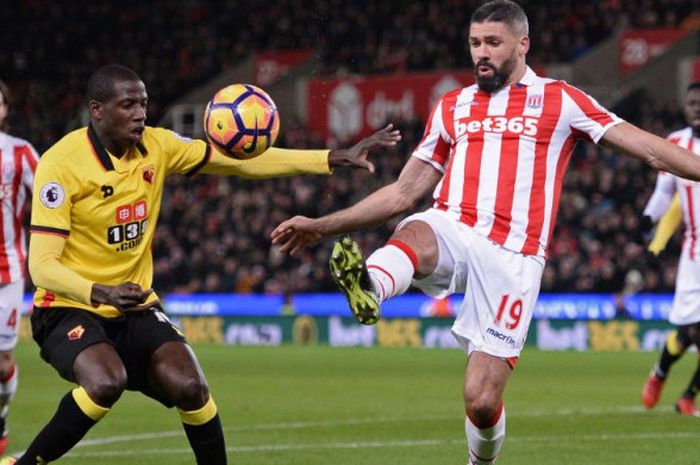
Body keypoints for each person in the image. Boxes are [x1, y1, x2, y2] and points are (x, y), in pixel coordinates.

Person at [271, 1, 700, 463]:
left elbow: (652, 149)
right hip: (455, 224)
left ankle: (481, 460)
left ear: (522, 44)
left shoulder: (561, 100)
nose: (481, 53)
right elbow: (402, 193)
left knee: (480, 399)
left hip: (514, 257)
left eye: (493, 43)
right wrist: (322, 226)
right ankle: (371, 286)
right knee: (416, 230)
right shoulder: (453, 106)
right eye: (475, 43)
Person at [0, 64, 399, 465]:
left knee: (191, 386)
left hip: (134, 304)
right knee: (107, 382)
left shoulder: (157, 146)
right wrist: (100, 291)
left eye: (143, 103)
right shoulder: (61, 164)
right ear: (97, 110)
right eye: (128, 105)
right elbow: (43, 267)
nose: (140, 113)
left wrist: (329, 158)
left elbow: (239, 162)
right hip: (69, 307)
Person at [641, 82, 700, 417]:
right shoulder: (676, 143)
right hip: (695, 254)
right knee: (690, 332)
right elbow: (664, 192)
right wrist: (647, 219)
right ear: (685, 106)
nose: (697, 107)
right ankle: (662, 374)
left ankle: (687, 396)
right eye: (692, 102)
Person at [0, 80, 39, 456]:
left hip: (6, 273)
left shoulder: (22, 154)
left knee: (2, 365)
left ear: (5, 109)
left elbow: (49, 201)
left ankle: (1, 414)